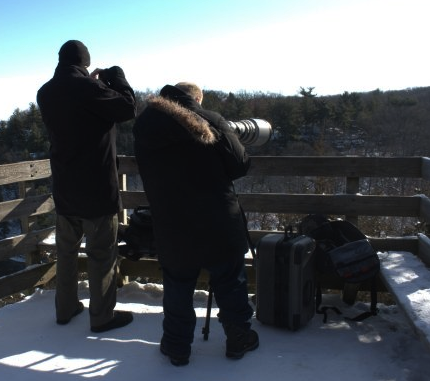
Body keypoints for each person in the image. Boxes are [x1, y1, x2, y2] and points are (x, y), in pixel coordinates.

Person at [133, 82, 259, 366]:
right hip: (218, 220)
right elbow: (240, 165)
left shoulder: (144, 127)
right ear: (195, 100)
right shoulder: (211, 121)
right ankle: (238, 338)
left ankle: (177, 346)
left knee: (178, 285)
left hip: (171, 222)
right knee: (230, 281)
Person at [37, 40, 136, 333]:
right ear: (85, 62)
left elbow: (74, 112)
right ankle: (102, 316)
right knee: (101, 254)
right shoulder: (91, 89)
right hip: (96, 188)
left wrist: (93, 85)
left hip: (65, 187)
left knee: (66, 253)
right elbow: (127, 107)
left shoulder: (46, 92)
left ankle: (65, 309)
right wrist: (115, 76)